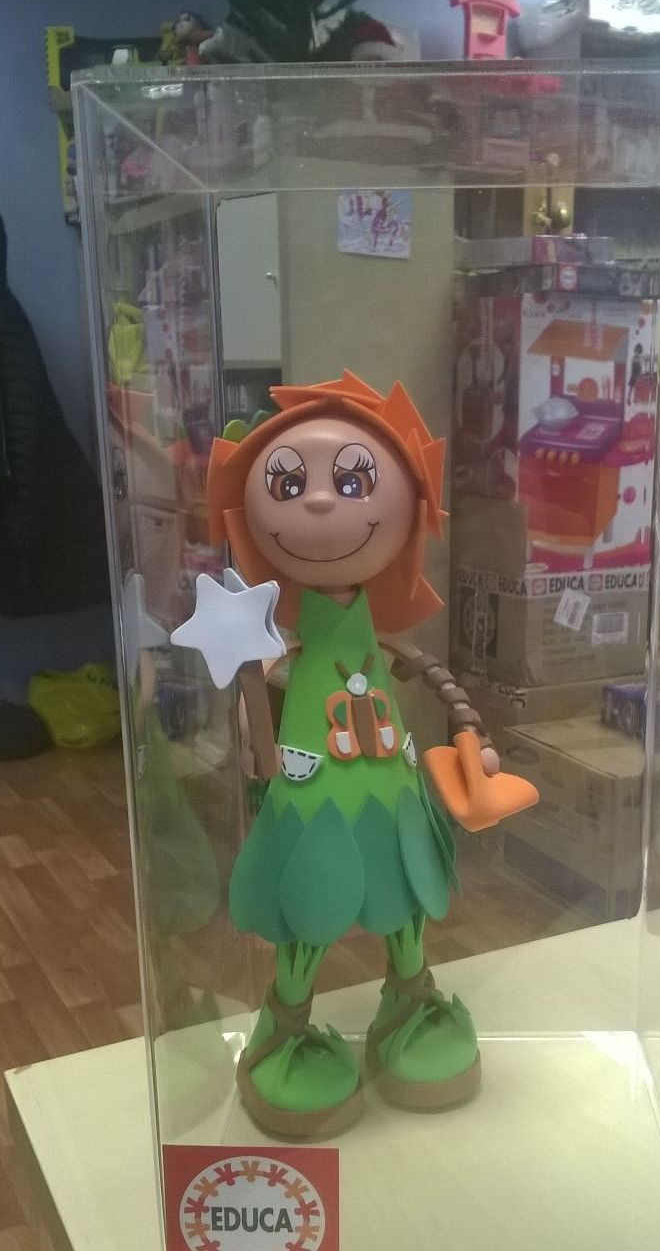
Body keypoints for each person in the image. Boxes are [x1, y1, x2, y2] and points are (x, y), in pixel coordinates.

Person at [206, 372, 533, 1138]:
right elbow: (263, 690)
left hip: (389, 788)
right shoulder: (277, 648)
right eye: (290, 484)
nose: (321, 502)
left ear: (410, 509)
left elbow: (430, 673)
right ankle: (286, 1022)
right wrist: (253, 726)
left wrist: (469, 731)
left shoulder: (377, 641)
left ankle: (409, 997)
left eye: (353, 481)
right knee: (306, 893)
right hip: (310, 790)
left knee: (406, 882)